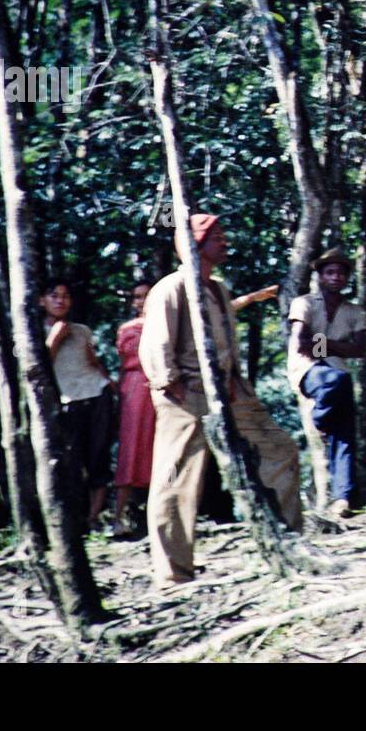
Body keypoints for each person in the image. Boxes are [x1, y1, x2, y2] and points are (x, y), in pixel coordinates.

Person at [138, 212, 303, 588]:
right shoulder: (171, 287)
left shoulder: (217, 288)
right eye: (216, 237)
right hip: (185, 394)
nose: (224, 243)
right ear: (195, 244)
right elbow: (157, 342)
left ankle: (288, 541)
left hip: (230, 392)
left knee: (280, 450)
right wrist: (170, 385)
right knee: (176, 479)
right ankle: (172, 573)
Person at [287, 247, 366, 517]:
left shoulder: (354, 311)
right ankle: (320, 419)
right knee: (336, 379)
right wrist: (338, 346)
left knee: (344, 436)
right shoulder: (305, 304)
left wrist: (322, 344)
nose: (336, 277)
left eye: (341, 273)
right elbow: (301, 344)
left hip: (338, 376)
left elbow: (360, 349)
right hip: (308, 371)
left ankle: (342, 498)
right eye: (330, 272)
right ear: (320, 276)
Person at [40, 279, 115, 531]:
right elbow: (39, 369)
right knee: (71, 460)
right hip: (66, 400)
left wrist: (112, 386)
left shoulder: (82, 330)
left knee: (99, 455)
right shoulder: (33, 332)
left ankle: (94, 518)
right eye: (54, 295)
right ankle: (73, 522)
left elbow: (92, 361)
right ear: (42, 301)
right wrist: (54, 338)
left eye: (65, 296)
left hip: (97, 394)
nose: (60, 300)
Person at [113, 282, 156, 537]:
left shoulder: (168, 321)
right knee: (130, 448)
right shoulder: (127, 328)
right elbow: (125, 360)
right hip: (135, 387)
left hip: (162, 385)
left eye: (146, 296)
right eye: (137, 296)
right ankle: (118, 517)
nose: (141, 301)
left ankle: (160, 516)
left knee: (160, 448)